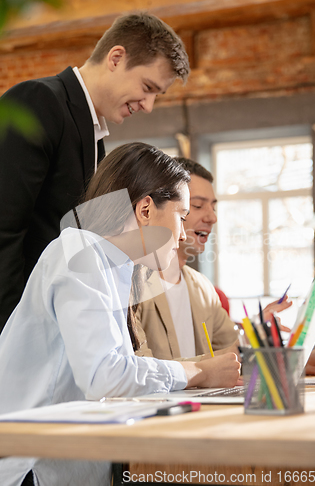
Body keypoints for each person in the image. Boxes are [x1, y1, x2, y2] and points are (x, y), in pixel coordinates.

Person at [0, 143, 240, 486]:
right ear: (145, 209)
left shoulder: (117, 266)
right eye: (182, 215)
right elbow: (105, 376)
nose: (184, 234)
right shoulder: (79, 253)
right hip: (35, 468)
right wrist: (198, 372)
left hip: (73, 465)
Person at [0, 12, 189, 332]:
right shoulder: (39, 101)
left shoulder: (94, 137)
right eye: (147, 87)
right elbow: (5, 231)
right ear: (116, 58)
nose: (148, 105)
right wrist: (14, 336)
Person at [135, 158, 291, 361]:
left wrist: (260, 335)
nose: (212, 218)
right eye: (197, 206)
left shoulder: (203, 288)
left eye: (213, 208)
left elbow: (238, 354)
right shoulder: (132, 285)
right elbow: (138, 370)